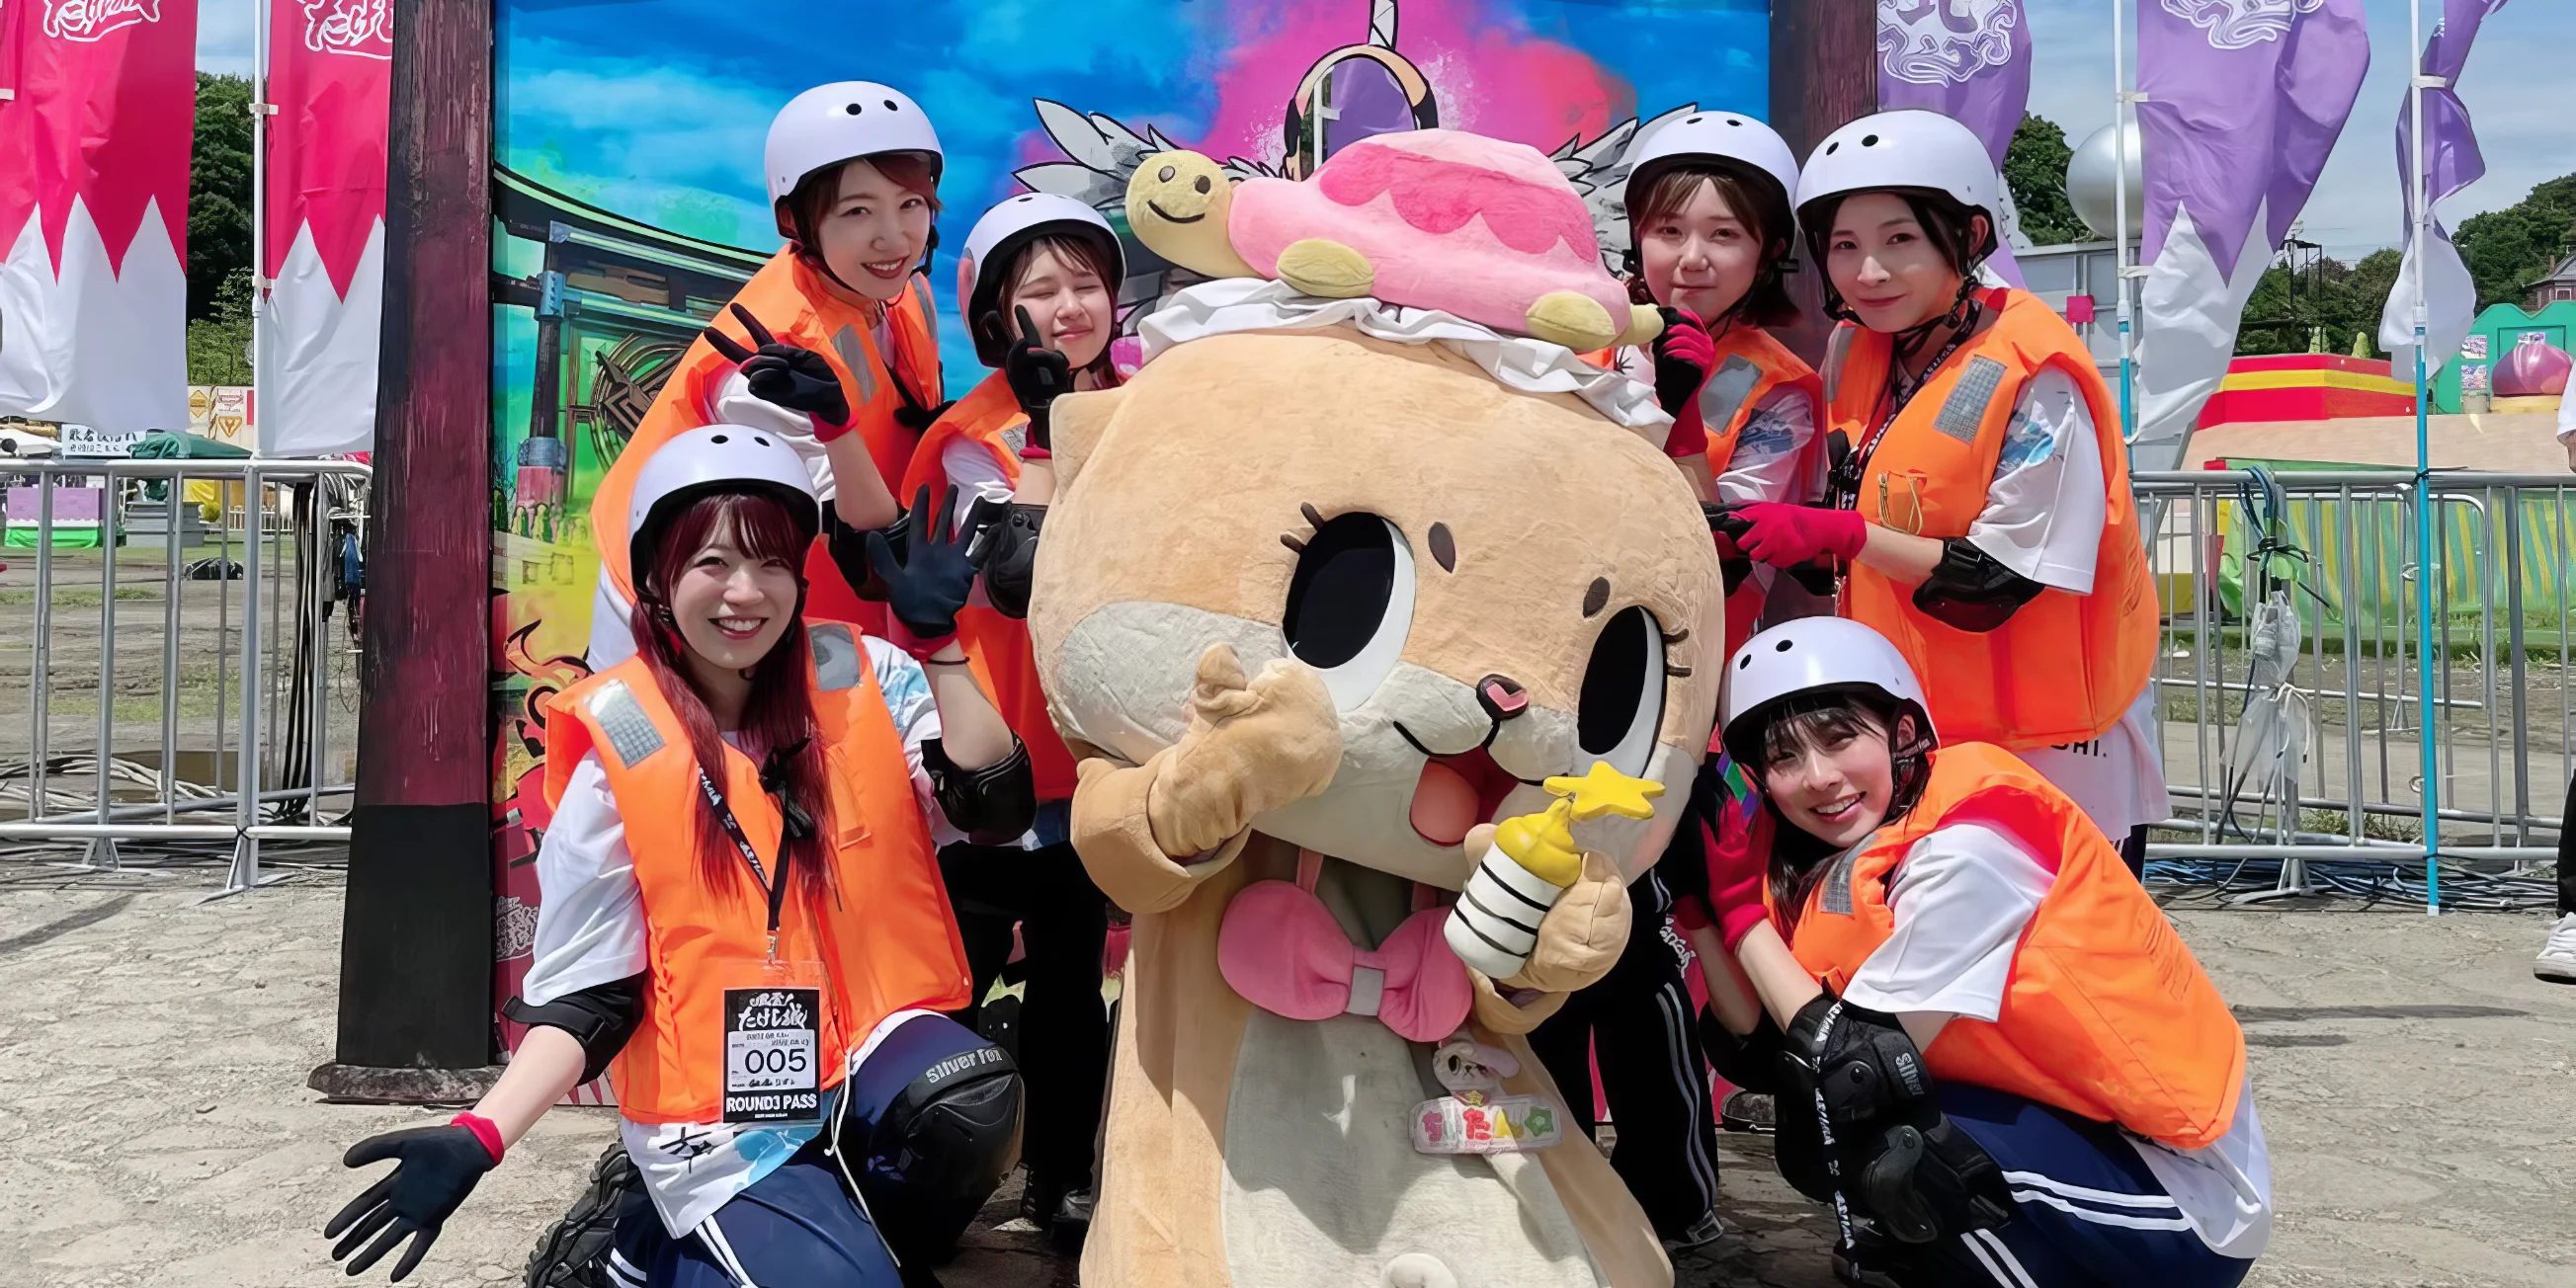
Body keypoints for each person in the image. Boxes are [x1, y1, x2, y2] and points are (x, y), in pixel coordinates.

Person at [322, 428, 1035, 1286]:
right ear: (658, 580)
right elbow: (593, 998)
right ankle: (643, 1245)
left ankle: (859, 1241)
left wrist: (943, 644)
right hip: (721, 1110)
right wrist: (479, 1135)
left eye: (771, 563)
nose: (745, 593)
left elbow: (993, 805)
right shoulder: (622, 747)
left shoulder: (859, 674)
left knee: (969, 1099)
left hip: (857, 1051)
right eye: (712, 563)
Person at [1701, 616, 2270, 1287]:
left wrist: (1739, 912)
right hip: (2076, 1140)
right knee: (1821, 1125)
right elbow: (1752, 1041)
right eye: (1784, 758)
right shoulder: (1831, 858)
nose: (1818, 777)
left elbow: (1857, 1071)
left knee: (1882, 1133)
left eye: (1838, 738)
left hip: (2184, 1200)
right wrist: (1702, 915)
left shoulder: (1972, 847)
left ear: (1901, 734)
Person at [1721, 109, 2167, 873]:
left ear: (1965, 238)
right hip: (1926, 726)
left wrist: (1842, 537)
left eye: (1900, 240)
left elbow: (1994, 581)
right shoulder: (1855, 348)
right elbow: (1860, 516)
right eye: (1844, 246)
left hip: (2054, 743)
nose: (1869, 273)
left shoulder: (2036, 373)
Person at [894, 191, 1123, 1244]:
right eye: (1040, 290)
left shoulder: (1152, 403)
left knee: (1075, 989)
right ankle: (903, 1171)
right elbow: (1022, 577)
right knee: (947, 977)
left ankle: (1063, 1181)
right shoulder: (967, 436)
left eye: (1087, 283)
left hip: (1093, 757)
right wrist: (1041, 425)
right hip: (990, 763)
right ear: (994, 316)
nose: (1070, 307)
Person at [587, 81, 952, 667]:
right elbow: (867, 552)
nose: (894, 237)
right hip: (678, 594)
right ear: (795, 219)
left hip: (781, 574)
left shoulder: (902, 290)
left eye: (910, 204)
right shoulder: (770, 365)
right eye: (858, 210)